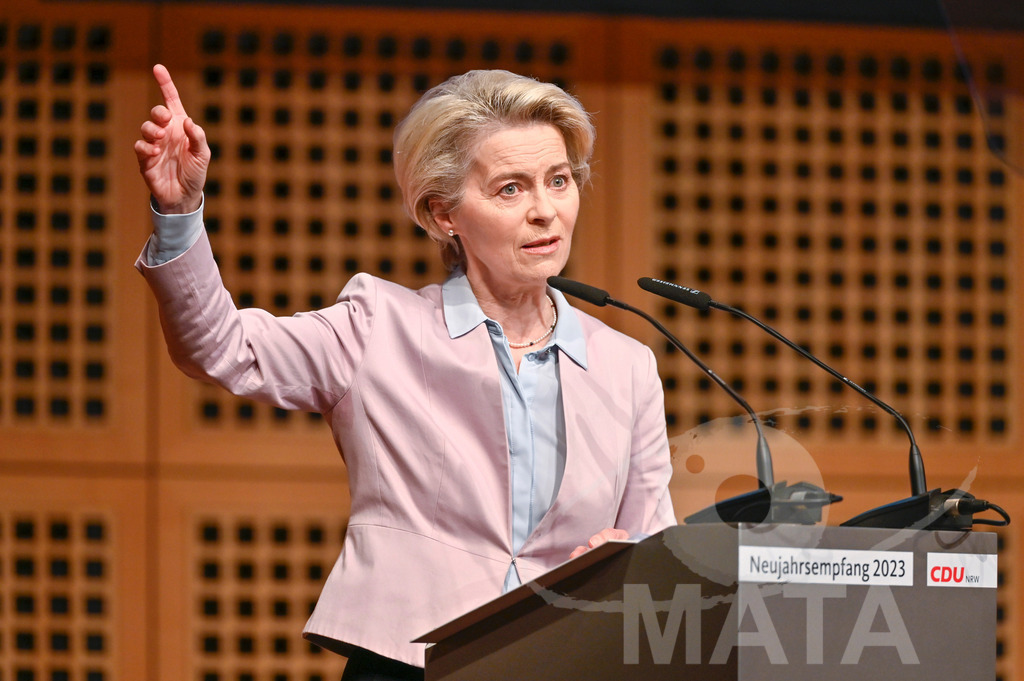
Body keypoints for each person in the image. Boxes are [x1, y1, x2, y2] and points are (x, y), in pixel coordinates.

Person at [134, 64, 675, 679]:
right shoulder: (378, 327)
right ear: (445, 214)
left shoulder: (628, 366)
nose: (545, 211)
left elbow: (655, 542)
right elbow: (219, 346)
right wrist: (178, 212)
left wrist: (630, 563)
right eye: (510, 189)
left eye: (559, 181)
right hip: (408, 661)